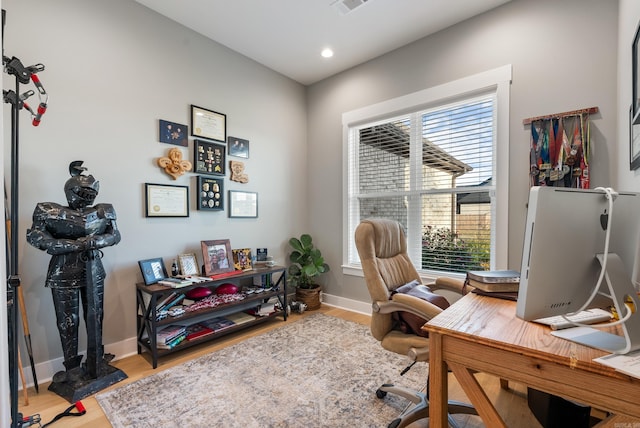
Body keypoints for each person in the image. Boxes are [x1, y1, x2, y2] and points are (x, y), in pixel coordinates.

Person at [26, 161, 121, 383]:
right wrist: (73, 245)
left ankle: (96, 360)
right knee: (68, 321)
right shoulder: (48, 210)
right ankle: (71, 368)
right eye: (83, 192)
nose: (87, 196)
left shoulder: (103, 209)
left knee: (96, 316)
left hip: (94, 269)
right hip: (63, 271)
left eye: (91, 192)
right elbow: (37, 237)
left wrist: (97, 240)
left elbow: (114, 235)